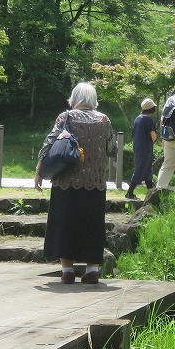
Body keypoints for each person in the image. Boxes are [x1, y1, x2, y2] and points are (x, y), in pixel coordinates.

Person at [34, 82, 114, 284]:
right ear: (94, 100)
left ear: (74, 99)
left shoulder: (66, 117)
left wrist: (39, 170)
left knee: (65, 224)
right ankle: (92, 270)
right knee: (92, 225)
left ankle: (67, 271)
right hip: (95, 182)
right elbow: (111, 149)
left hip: (66, 181)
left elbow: (49, 142)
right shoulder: (104, 120)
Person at [125, 97, 158, 199]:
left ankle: (151, 193)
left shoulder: (137, 119)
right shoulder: (148, 120)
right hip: (146, 148)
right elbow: (153, 137)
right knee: (140, 170)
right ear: (150, 108)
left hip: (138, 147)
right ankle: (129, 193)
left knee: (147, 170)